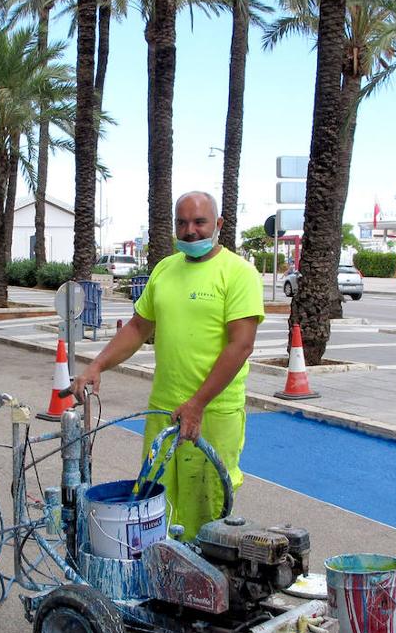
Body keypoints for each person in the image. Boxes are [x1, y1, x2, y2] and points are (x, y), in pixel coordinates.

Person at [71, 192, 262, 541]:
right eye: (182, 222)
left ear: (218, 225)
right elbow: (138, 328)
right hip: (164, 409)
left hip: (213, 414)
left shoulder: (239, 273)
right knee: (155, 507)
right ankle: (163, 589)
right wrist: (96, 365)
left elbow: (241, 345)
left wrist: (198, 404)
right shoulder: (164, 270)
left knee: (207, 515)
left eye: (199, 222)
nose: (190, 231)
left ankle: (205, 591)